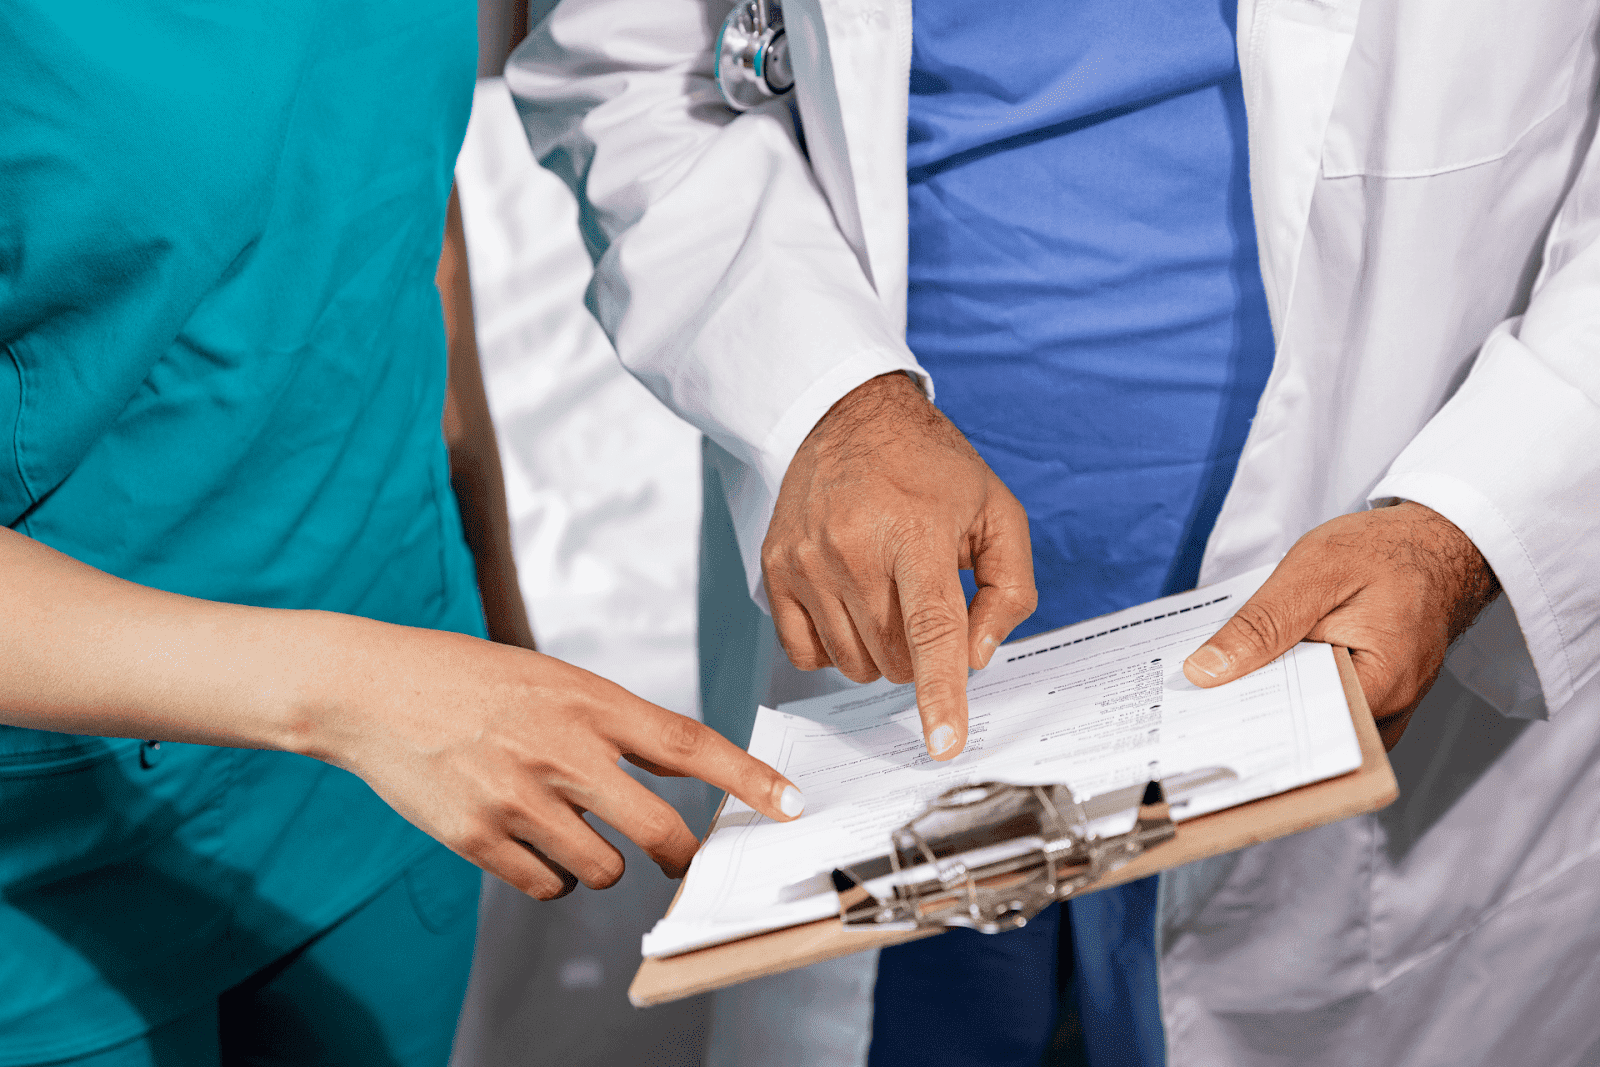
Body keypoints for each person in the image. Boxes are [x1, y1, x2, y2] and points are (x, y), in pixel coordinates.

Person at [507, 0, 1600, 1065]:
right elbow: (627, 65)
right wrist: (827, 404)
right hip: (894, 642)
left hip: (1390, 583)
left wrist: (1461, 529)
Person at [0, 4, 804, 1064]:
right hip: (54, 859)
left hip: (383, 781)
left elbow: (404, 227)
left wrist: (494, 630)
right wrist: (362, 691)